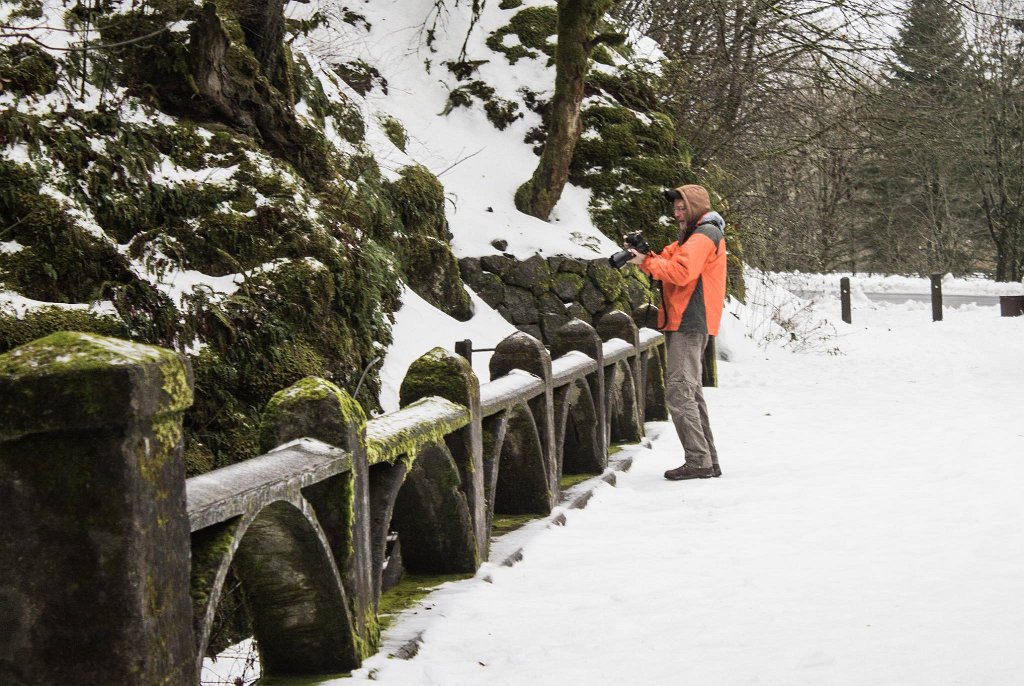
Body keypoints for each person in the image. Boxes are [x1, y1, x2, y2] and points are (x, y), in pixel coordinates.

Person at [627, 184, 727, 480]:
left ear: (696, 206)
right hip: (685, 319)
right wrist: (646, 255)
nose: (677, 212)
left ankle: (699, 461)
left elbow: (681, 273)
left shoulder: (703, 235)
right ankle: (708, 459)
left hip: (688, 320)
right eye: (675, 208)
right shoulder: (694, 235)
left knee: (679, 392)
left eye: (683, 207)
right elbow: (669, 262)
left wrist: (645, 261)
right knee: (690, 392)